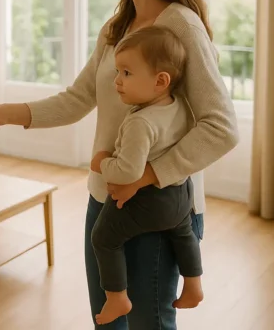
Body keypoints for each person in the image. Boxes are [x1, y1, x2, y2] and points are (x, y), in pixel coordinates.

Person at [0, 0, 238, 329]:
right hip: (104, 199)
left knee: (149, 324)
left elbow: (221, 127)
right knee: (107, 320)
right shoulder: (117, 27)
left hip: (158, 207)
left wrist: (145, 175)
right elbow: (77, 98)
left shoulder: (182, 27)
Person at [88, 25, 203, 325]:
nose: (117, 80)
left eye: (126, 73)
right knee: (183, 234)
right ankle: (193, 285)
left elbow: (128, 171)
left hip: (149, 201)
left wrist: (102, 163)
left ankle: (117, 297)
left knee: (103, 237)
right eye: (118, 71)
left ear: (160, 80)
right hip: (180, 194)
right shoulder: (180, 106)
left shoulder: (141, 122)